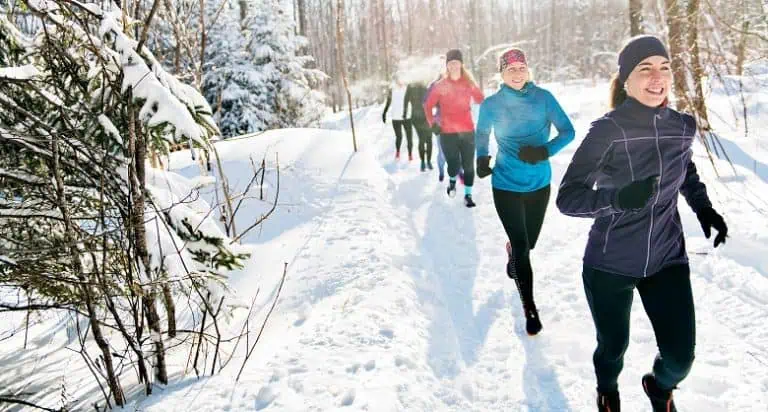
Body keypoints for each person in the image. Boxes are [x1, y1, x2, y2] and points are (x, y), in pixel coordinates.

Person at [555, 35, 729, 412]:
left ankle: (659, 388)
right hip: (610, 262)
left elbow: (685, 172)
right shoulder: (608, 131)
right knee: (613, 347)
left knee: (681, 357)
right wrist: (618, 199)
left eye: (664, 67)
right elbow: (568, 198)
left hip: (667, 258)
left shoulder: (682, 126)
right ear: (626, 80)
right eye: (645, 69)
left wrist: (705, 210)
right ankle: (607, 390)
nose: (657, 77)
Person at [475, 48, 575, 336]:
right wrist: (482, 157)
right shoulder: (492, 104)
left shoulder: (543, 98)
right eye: (511, 69)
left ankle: (513, 254)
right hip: (505, 183)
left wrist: (544, 151)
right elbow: (482, 133)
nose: (517, 73)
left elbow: (568, 131)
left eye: (521, 68)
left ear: (528, 70)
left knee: (528, 244)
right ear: (502, 73)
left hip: (539, 184)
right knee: (522, 247)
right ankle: (529, 307)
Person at [424, 49, 484, 207]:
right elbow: (428, 105)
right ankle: (451, 181)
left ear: (461, 64)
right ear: (447, 66)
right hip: (447, 133)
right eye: (450, 63)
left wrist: (474, 86)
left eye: (456, 63)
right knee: (453, 164)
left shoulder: (468, 83)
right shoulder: (441, 85)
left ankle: (468, 195)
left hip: (467, 131)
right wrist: (433, 125)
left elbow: (480, 99)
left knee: (469, 165)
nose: (454, 66)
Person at [404, 81, 434, 171]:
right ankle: (425, 162)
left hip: (424, 117)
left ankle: (425, 162)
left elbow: (406, 100)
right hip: (419, 118)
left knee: (426, 139)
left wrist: (405, 113)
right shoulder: (420, 85)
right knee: (427, 139)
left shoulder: (413, 85)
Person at [382, 73, 413, 161]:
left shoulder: (408, 88)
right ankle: (398, 152)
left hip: (407, 117)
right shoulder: (392, 90)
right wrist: (384, 113)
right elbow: (388, 102)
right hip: (395, 118)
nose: (400, 81)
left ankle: (410, 155)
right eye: (398, 80)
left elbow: (413, 101)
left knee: (409, 137)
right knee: (399, 137)